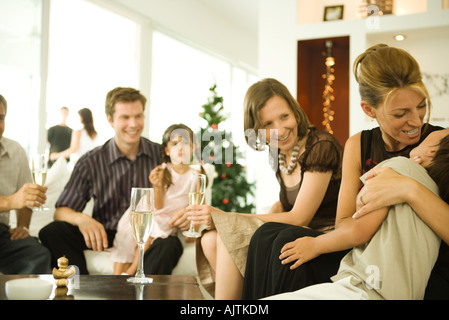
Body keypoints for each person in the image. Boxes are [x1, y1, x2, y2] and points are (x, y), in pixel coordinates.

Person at [242, 44, 444, 299]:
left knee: (291, 243)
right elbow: (344, 224)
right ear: (369, 110)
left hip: (418, 267)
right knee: (271, 236)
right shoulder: (358, 145)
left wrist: (407, 190)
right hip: (361, 253)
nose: (416, 121)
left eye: (421, 106)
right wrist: (368, 203)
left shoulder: (439, 144)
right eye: (401, 113)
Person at [188, 78, 343, 299]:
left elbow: (300, 217)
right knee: (209, 239)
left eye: (284, 117)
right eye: (268, 124)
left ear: (295, 111)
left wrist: (228, 217)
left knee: (226, 233)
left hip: (323, 239)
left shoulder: (320, 146)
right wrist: (275, 207)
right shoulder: (279, 153)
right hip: (295, 232)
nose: (280, 130)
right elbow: (288, 203)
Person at [265, 129, 449, 300]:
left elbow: (360, 228)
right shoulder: (438, 196)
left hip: (364, 288)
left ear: (432, 152)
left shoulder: (403, 168)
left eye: (443, 132)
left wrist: (315, 245)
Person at [39, 87, 162, 274]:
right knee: (53, 231)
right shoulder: (91, 161)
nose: (133, 124)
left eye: (138, 116)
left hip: (147, 234)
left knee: (169, 243)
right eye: (125, 117)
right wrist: (82, 219)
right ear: (110, 119)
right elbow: (61, 212)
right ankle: (82, 290)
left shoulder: (160, 155)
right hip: (106, 234)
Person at [110, 124, 202, 275]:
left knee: (156, 229)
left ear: (193, 148)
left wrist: (195, 226)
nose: (181, 148)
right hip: (152, 211)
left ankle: (130, 272)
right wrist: (156, 185)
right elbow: (157, 206)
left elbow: (198, 204)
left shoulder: (195, 175)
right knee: (139, 235)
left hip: (170, 217)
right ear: (167, 150)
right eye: (175, 144)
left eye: (186, 143)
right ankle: (129, 272)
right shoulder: (164, 171)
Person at [0, 94, 51, 274]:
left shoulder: (15, 150)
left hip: (2, 234)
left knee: (38, 254)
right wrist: (12, 201)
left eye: (1, 118)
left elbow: (26, 198)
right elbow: (17, 199)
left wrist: (23, 226)